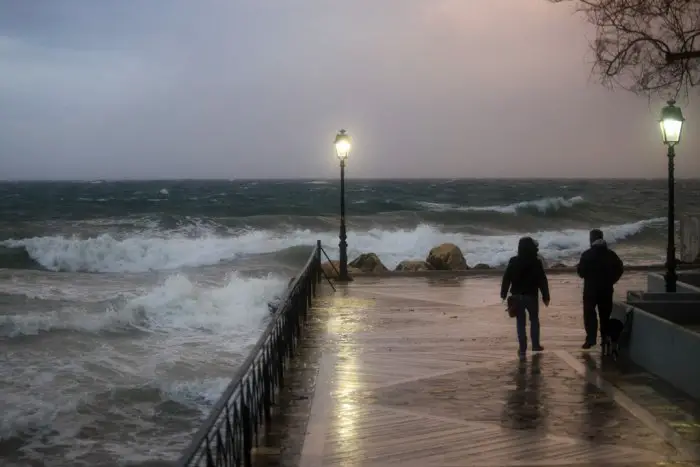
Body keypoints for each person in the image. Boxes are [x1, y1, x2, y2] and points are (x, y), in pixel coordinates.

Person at [500, 236, 551, 356]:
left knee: (520, 322)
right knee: (534, 320)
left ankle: (522, 348)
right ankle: (535, 345)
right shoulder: (536, 262)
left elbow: (506, 278)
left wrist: (503, 293)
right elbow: (542, 280)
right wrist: (546, 296)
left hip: (517, 296)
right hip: (531, 296)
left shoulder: (513, 261)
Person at [576, 229, 624, 351]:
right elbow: (620, 269)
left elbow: (581, 272)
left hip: (590, 290)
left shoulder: (586, 255)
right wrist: (612, 280)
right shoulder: (611, 255)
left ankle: (590, 339)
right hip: (606, 289)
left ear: (591, 239)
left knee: (589, 314)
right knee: (605, 315)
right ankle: (604, 338)